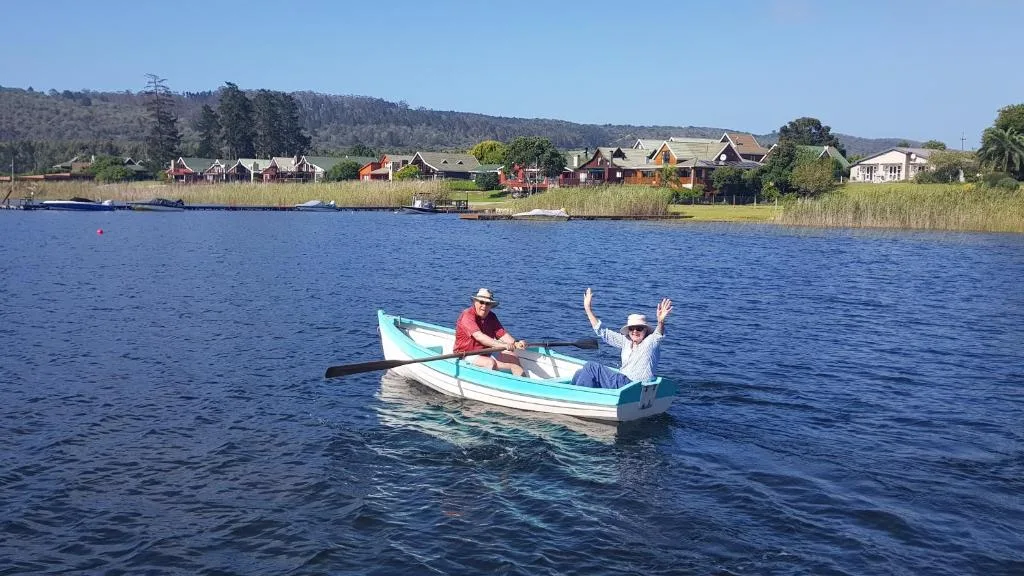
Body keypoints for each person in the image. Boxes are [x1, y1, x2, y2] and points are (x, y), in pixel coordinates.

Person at [571, 287, 673, 389]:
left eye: (639, 328)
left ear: (645, 330)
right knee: (579, 373)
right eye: (631, 328)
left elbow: (658, 334)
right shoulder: (626, 341)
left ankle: (581, 395)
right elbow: (602, 332)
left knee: (591, 367)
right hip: (622, 382)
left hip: (632, 385)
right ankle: (575, 394)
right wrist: (588, 309)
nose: (635, 331)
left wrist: (661, 321)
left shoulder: (650, 342)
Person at [454, 288, 527, 376]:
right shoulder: (467, 315)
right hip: (465, 354)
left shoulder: (492, 317)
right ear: (475, 302)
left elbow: (502, 334)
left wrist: (516, 343)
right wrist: (503, 345)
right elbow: (479, 336)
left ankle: (520, 381)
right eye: (481, 302)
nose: (484, 306)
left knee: (512, 357)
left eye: (487, 303)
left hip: (485, 353)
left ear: (491, 305)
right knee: (490, 363)